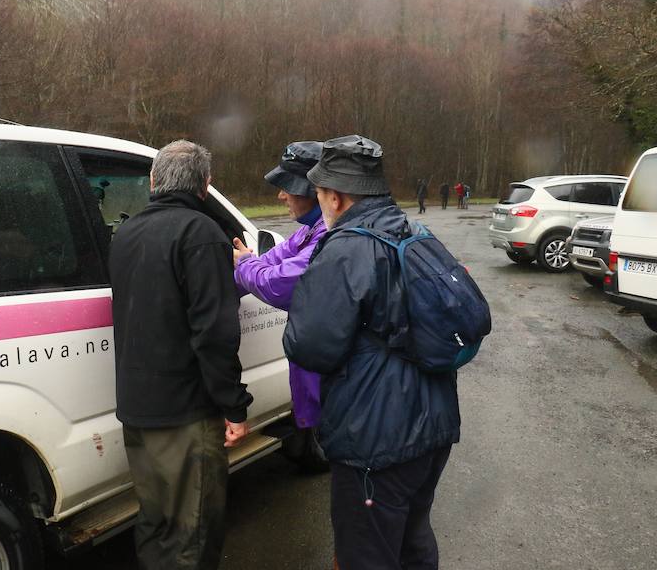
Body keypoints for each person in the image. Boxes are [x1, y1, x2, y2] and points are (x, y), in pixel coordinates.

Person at [283, 135, 460, 570]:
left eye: (320, 193)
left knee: (367, 554)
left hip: (375, 439)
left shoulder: (346, 249)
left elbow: (311, 347)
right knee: (413, 540)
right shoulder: (413, 231)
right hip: (433, 424)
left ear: (336, 197)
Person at [109, 140, 253, 570]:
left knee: (154, 523)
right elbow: (214, 333)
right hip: (186, 415)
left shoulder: (125, 234)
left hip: (137, 411)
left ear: (154, 182)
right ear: (205, 186)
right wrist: (234, 405)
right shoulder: (202, 234)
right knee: (192, 533)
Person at [232, 140, 327, 431]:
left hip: (340, 395)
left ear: (312, 190)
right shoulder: (307, 233)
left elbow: (278, 284)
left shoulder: (331, 236)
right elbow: (271, 259)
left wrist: (244, 264)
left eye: (288, 186)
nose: (281, 195)